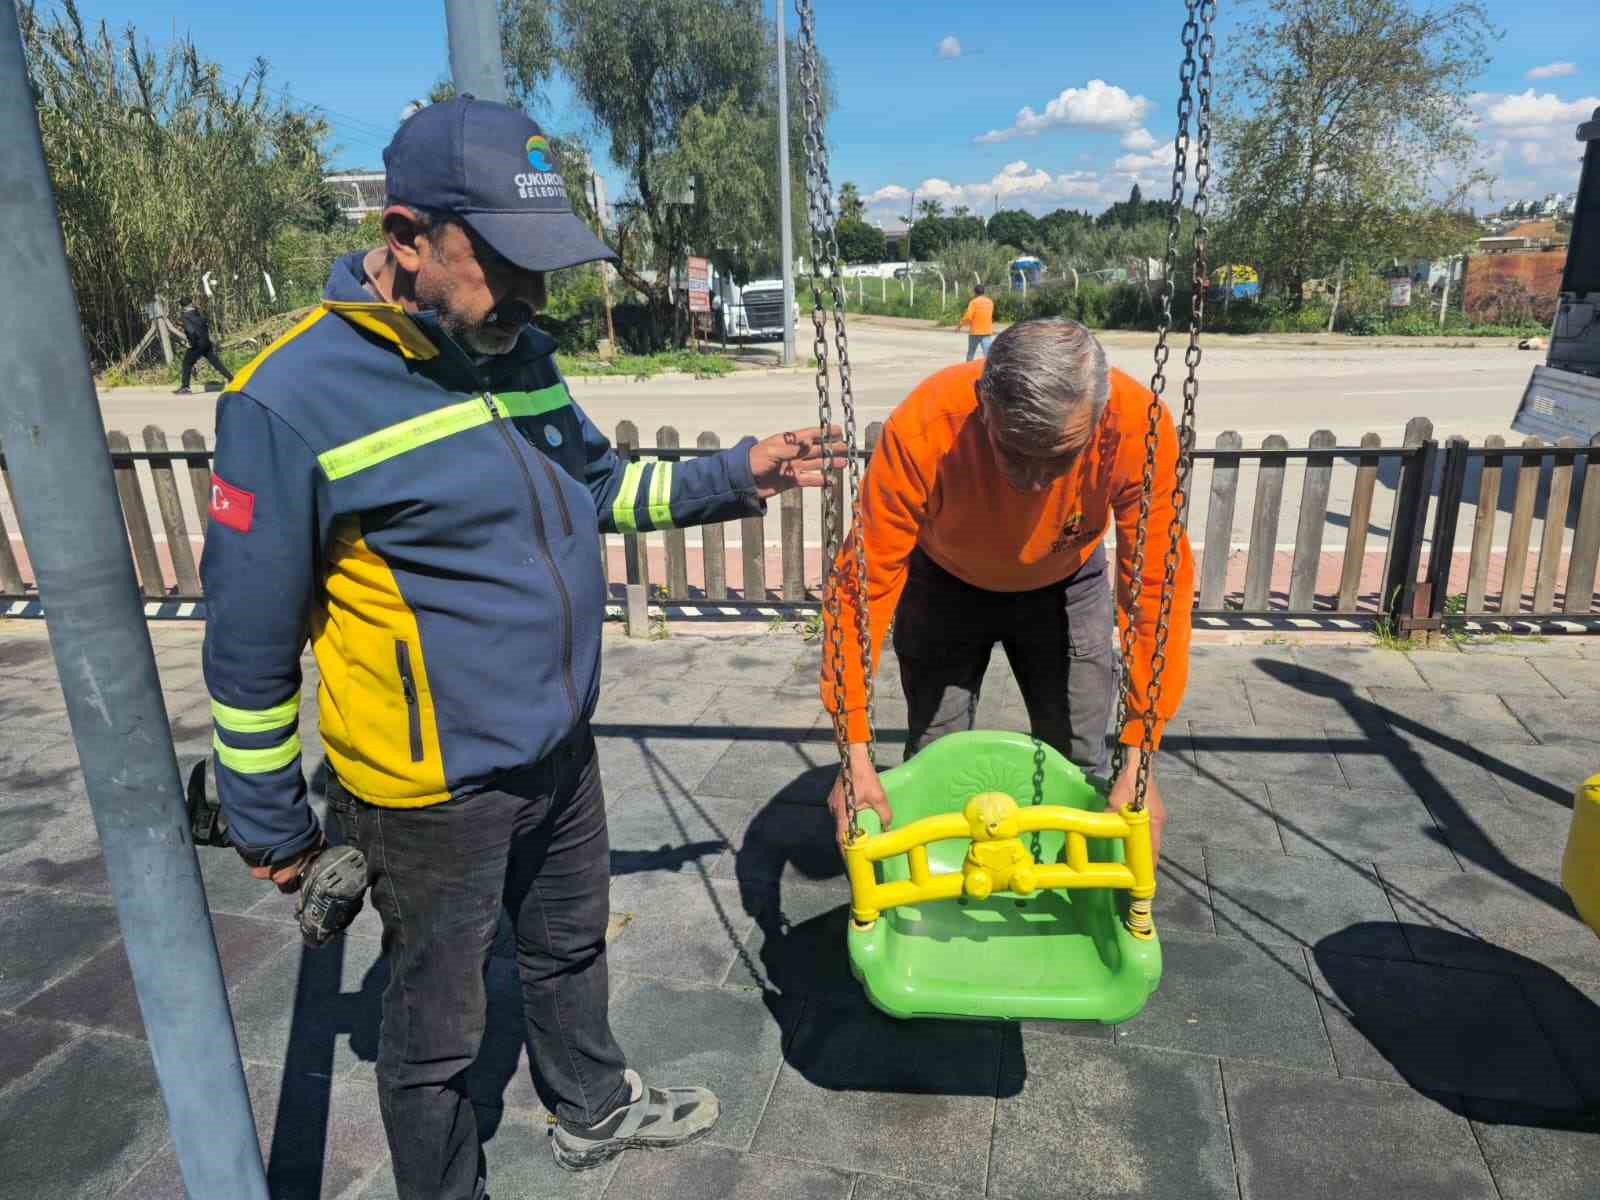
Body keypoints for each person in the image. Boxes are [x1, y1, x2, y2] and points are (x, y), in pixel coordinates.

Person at [201, 97, 843, 1200]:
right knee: (436, 1032)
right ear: (406, 238)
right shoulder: (291, 400)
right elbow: (248, 645)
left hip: (558, 746)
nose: (538, 295)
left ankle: (592, 1109)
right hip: (428, 792)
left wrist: (737, 474)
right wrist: (269, 820)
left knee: (568, 949)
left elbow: (596, 486)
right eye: (507, 261)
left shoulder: (517, 352)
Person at [820, 318, 1194, 860]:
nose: (1038, 480)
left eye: (1061, 457)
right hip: (944, 580)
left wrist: (1142, 761)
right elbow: (860, 589)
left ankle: (1073, 891)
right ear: (982, 403)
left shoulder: (1138, 428)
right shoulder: (927, 426)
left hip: (1067, 580)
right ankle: (945, 893)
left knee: (1081, 761)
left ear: (1099, 416)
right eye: (1015, 451)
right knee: (936, 756)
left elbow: (1157, 592)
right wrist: (853, 752)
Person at [172, 296, 233, 394]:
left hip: (197, 344)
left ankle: (185, 388)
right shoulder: (198, 312)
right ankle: (231, 378)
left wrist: (191, 343)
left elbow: (190, 331)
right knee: (215, 361)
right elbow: (205, 325)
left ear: (182, 305)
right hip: (206, 342)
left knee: (187, 363)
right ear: (190, 303)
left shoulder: (185, 316)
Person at [956, 283, 995, 360]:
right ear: (984, 292)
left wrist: (959, 326)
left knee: (971, 354)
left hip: (975, 332)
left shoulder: (974, 302)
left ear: (975, 292)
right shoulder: (990, 302)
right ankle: (989, 370)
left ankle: (968, 370)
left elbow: (968, 316)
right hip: (987, 331)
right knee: (987, 355)